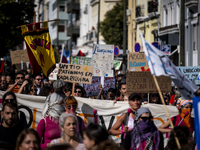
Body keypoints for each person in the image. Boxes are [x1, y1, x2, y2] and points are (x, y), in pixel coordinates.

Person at [37, 80, 66, 149]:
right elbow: (36, 145)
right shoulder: (44, 122)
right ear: (53, 104)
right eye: (60, 104)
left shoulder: (66, 121)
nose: (63, 106)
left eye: (63, 104)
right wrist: (50, 145)